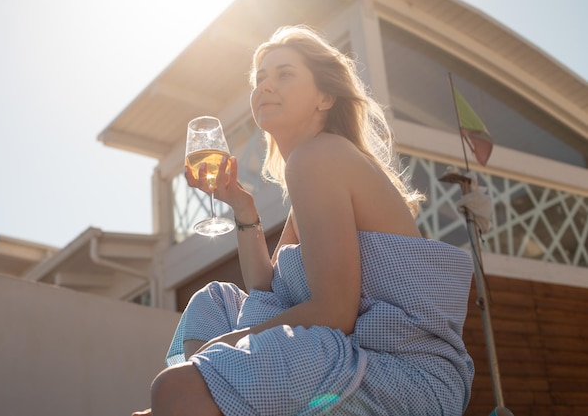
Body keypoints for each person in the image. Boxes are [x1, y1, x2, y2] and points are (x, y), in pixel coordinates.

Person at [134, 25, 474, 416]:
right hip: (350, 348)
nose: (266, 86)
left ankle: (198, 394)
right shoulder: (311, 168)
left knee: (175, 388)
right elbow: (266, 290)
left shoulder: (319, 157)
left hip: (402, 373)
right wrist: (243, 208)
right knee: (213, 301)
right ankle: (206, 394)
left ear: (325, 97)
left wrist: (228, 343)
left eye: (284, 74)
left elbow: (335, 312)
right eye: (260, 78)